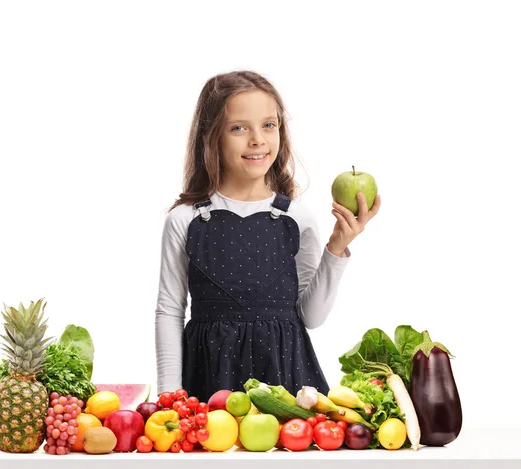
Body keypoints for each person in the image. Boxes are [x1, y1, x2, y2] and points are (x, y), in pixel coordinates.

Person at [154, 70, 381, 402]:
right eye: (238, 128)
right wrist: (168, 398)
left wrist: (337, 248)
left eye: (268, 125)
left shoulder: (295, 218)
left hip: (286, 379)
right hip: (209, 378)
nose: (257, 139)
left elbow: (311, 317)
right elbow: (169, 311)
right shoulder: (185, 218)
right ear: (212, 136)